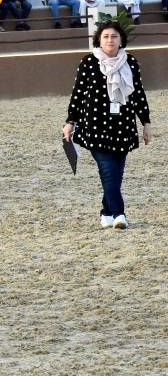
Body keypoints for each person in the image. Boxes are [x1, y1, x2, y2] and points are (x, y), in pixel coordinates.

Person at [62, 21, 152, 229]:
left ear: (121, 40)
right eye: (105, 36)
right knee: (108, 170)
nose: (110, 40)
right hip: (95, 126)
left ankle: (106, 212)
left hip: (123, 126)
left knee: (115, 173)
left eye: (114, 36)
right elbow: (77, 94)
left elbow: (138, 94)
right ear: (99, 40)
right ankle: (119, 214)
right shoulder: (88, 62)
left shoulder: (130, 62)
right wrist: (70, 122)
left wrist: (146, 123)